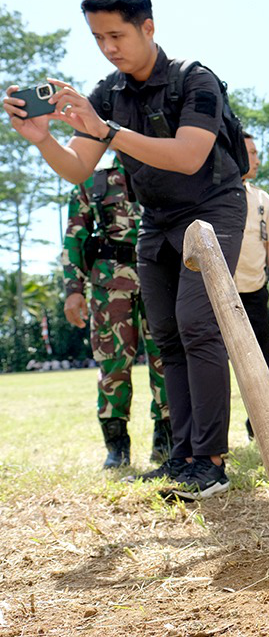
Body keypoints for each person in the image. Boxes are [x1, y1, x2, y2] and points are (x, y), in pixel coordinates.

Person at [3, 0, 247, 498]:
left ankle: (211, 460)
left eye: (116, 35)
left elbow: (188, 156)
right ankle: (182, 454)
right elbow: (77, 169)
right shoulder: (105, 94)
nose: (108, 48)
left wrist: (106, 130)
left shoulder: (194, 79)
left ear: (148, 27)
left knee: (198, 325)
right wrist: (43, 138)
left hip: (212, 209)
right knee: (166, 338)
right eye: (97, 38)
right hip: (155, 219)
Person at [61, 158, 169, 469]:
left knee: (166, 359)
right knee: (113, 363)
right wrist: (73, 291)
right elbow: (74, 235)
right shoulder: (93, 177)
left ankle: (167, 442)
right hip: (109, 284)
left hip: (159, 277)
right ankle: (116, 446)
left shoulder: (160, 166)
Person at [234, 133, 269, 440]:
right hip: (221, 290)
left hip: (255, 290)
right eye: (251, 153)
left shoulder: (261, 198)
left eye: (257, 153)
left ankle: (257, 424)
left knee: (261, 361)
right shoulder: (215, 194)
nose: (256, 159)